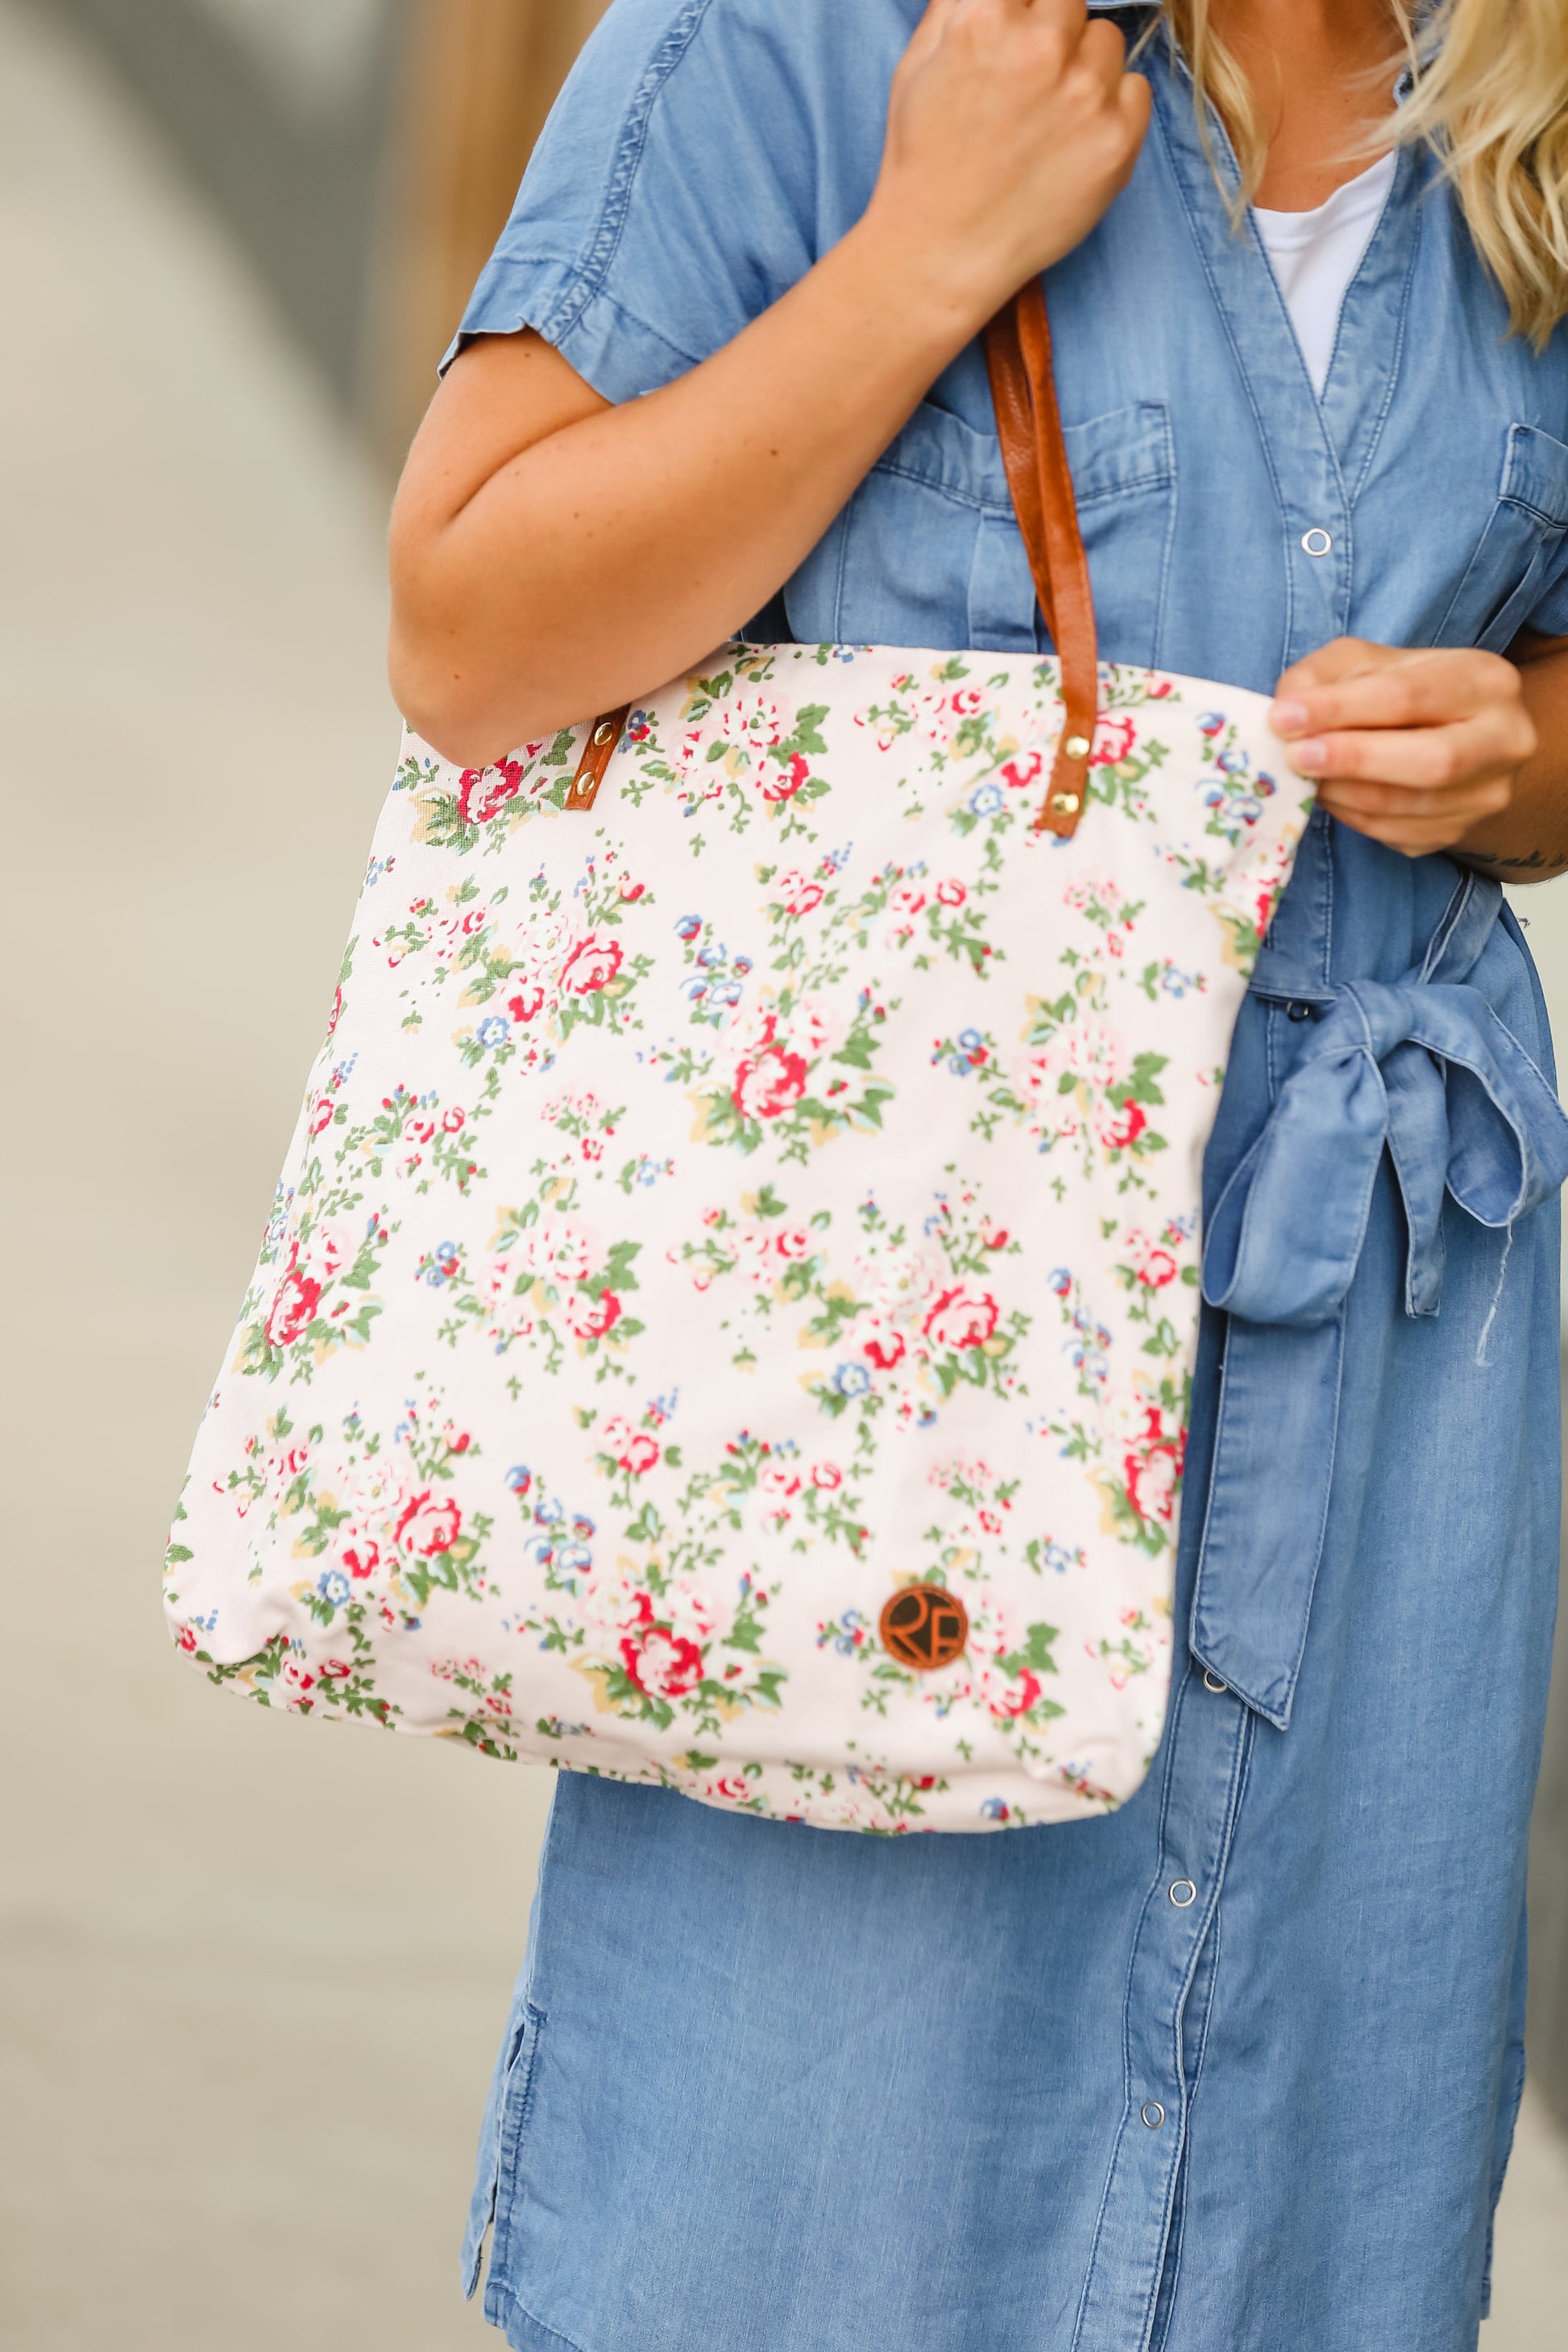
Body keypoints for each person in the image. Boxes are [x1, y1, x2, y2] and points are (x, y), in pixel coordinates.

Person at [388, 6, 1568, 2347]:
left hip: (1383, 1381)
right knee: (804, 2239)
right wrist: (917, 262)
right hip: (896, 1360)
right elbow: (471, 632)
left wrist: (1519, 751)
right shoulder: (809, 44)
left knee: (1296, 2255)